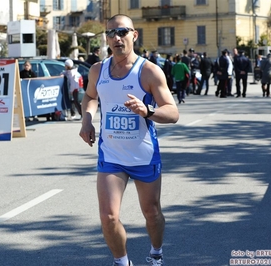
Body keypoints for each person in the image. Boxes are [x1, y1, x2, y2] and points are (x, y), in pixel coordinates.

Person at [79, 14, 179, 266]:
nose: (116, 38)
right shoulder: (97, 70)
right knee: (108, 217)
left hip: (143, 155)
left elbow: (173, 112)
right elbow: (90, 96)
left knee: (152, 213)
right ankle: (122, 262)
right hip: (111, 156)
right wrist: (87, 121)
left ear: (134, 35)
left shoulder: (149, 71)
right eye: (111, 33)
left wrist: (148, 111)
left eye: (122, 32)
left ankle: (156, 252)